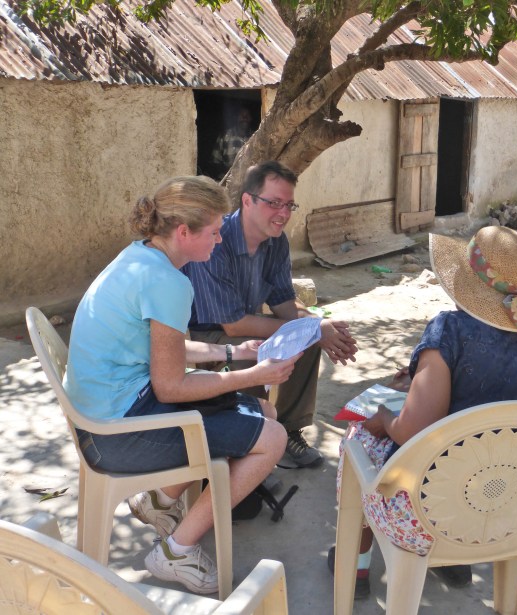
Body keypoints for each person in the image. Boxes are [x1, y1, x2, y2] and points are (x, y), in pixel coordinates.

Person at [63, 176, 300, 594]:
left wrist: (232, 352)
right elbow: (171, 387)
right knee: (273, 437)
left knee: (264, 411)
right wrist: (254, 376)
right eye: (214, 232)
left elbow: (163, 347)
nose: (220, 241)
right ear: (184, 232)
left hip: (103, 414)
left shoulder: (140, 257)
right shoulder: (169, 282)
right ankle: (176, 551)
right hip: (114, 435)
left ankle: (158, 500)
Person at [327, 226, 517, 599]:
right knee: (472, 450)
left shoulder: (449, 329)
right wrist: (419, 377)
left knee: (359, 438)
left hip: (429, 511)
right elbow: (478, 396)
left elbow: (413, 431)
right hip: (503, 507)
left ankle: (356, 563)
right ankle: (454, 561)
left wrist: (384, 419)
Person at [182, 161, 358, 468]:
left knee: (306, 340)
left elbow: (284, 303)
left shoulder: (277, 242)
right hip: (205, 336)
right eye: (274, 203)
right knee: (258, 353)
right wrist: (312, 329)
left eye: (289, 205)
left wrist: (319, 326)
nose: (283, 213)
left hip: (242, 326)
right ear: (248, 200)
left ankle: (287, 430)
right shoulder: (218, 240)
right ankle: (247, 437)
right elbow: (234, 325)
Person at [210, 105, 254, 178]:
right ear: (236, 117)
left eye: (247, 115)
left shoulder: (255, 138)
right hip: (226, 180)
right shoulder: (225, 136)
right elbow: (215, 161)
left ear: (251, 118)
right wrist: (229, 172)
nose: (245, 118)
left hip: (248, 181)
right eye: (241, 115)